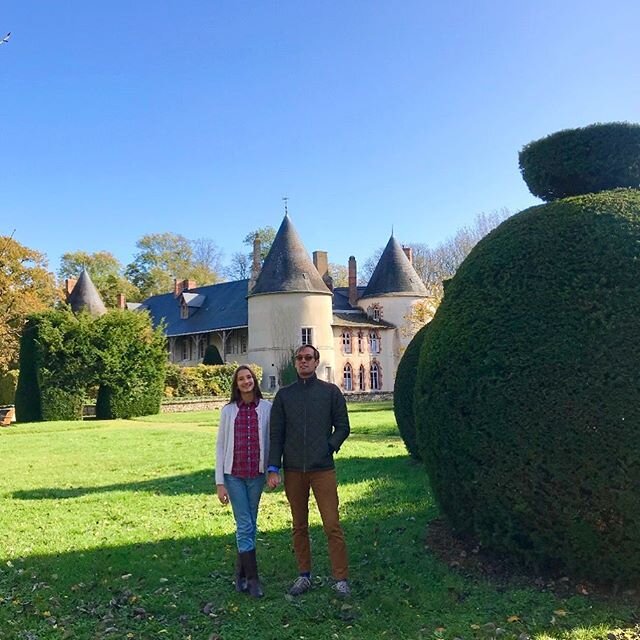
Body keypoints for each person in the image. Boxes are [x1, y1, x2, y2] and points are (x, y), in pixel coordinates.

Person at [267, 344, 351, 597]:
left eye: (308, 358)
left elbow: (343, 427)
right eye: (299, 358)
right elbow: (276, 434)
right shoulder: (284, 396)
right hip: (293, 470)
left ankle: (340, 578)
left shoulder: (330, 392)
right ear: (295, 363)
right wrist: (273, 467)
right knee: (299, 525)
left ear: (316, 362)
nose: (303, 362)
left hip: (322, 468)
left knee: (332, 524)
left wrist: (328, 447)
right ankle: (304, 575)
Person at [216, 365, 272, 597]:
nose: (246, 381)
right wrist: (220, 482)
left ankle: (240, 573)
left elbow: (273, 440)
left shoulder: (267, 408)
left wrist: (272, 470)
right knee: (246, 525)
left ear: (254, 381)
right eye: (241, 379)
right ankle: (253, 580)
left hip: (256, 475)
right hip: (234, 475)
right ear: (236, 384)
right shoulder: (228, 411)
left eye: (249, 377)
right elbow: (220, 446)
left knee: (250, 523)